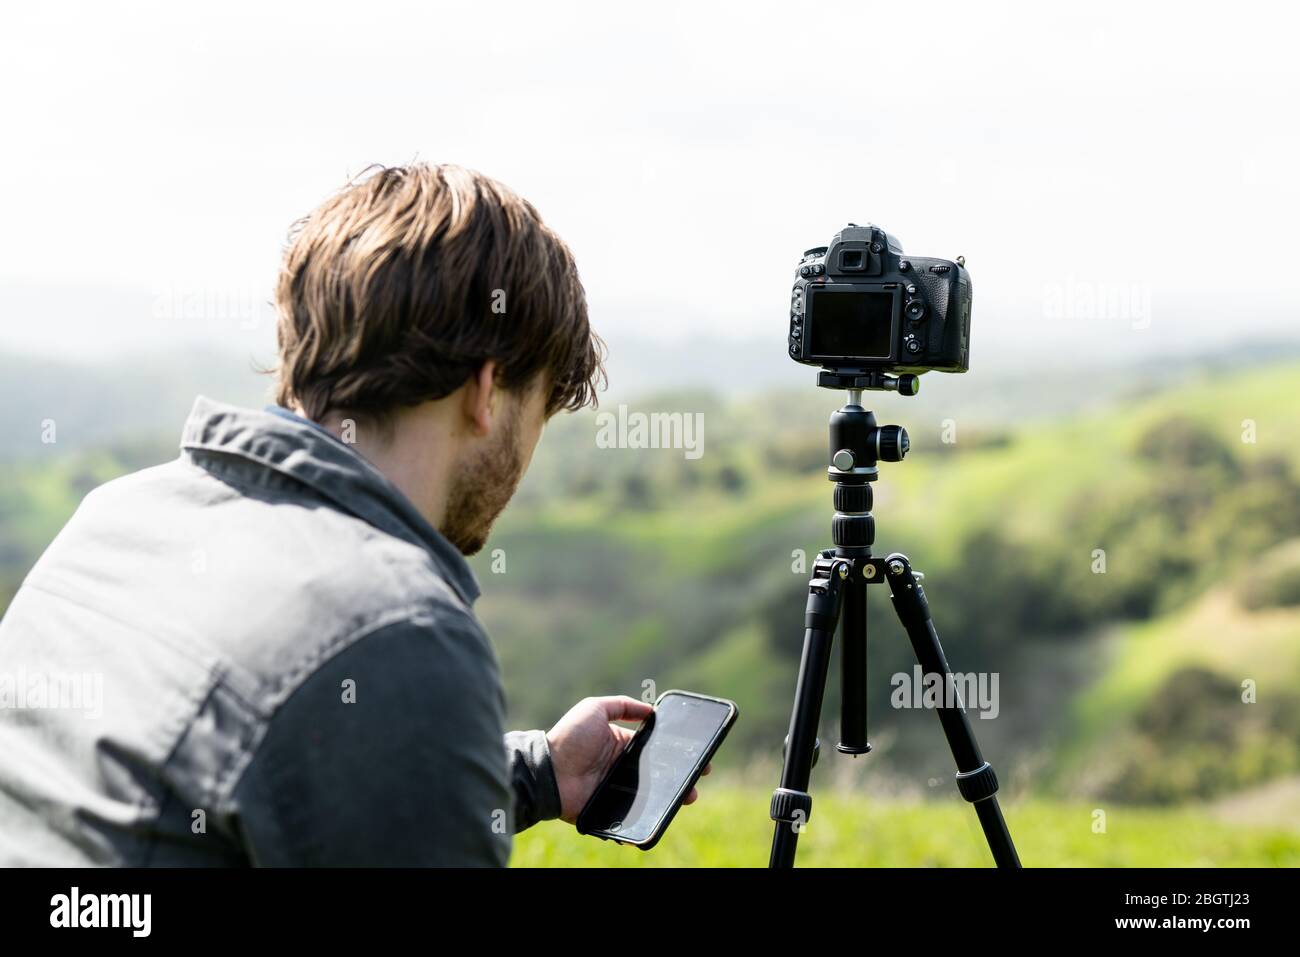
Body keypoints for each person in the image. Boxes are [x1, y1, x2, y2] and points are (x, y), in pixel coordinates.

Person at [0, 163, 703, 865]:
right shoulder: (396, 629)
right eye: (539, 409)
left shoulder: (117, 515)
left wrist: (543, 771)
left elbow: (270, 779)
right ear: (487, 391)